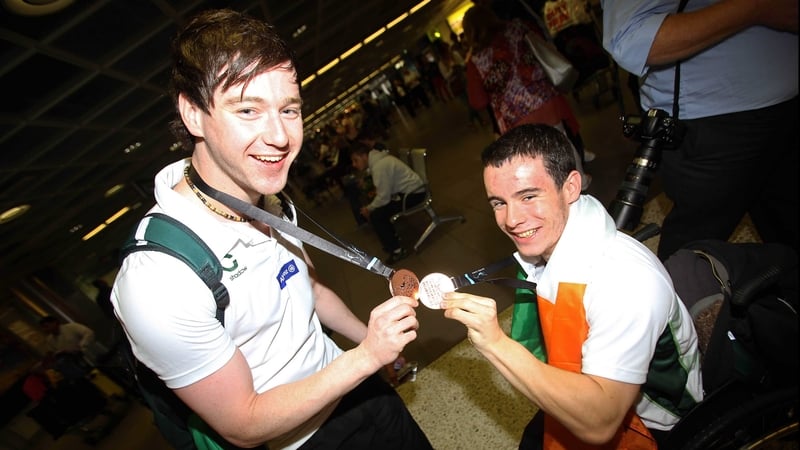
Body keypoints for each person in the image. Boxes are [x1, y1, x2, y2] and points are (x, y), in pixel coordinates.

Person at [110, 9, 431, 450]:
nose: (280, 136)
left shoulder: (269, 200)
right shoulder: (159, 280)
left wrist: (375, 352)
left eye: (289, 109)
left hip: (362, 392)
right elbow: (243, 422)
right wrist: (367, 356)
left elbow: (313, 291)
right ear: (193, 114)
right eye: (248, 110)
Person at [441, 124, 702, 448]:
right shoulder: (552, 246)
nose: (511, 219)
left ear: (571, 187)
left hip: (652, 425)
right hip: (583, 379)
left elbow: (600, 423)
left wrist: (496, 343)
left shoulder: (622, 284)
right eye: (498, 203)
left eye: (528, 196)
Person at [601, 0, 798, 260]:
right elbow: (632, 38)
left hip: (783, 103)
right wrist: (756, 8)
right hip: (713, 123)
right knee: (692, 257)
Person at [461, 4, 593, 187]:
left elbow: (478, 101)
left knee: (535, 159)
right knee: (562, 143)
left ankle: (553, 195)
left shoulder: (476, 59)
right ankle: (580, 182)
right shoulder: (518, 28)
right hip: (544, 100)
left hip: (514, 117)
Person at [350, 134, 426, 265]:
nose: (354, 164)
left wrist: (368, 208)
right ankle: (391, 240)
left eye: (356, 160)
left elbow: (383, 198)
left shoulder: (379, 166)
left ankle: (396, 250)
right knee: (378, 211)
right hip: (409, 191)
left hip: (413, 195)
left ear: (364, 156)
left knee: (377, 215)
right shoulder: (378, 160)